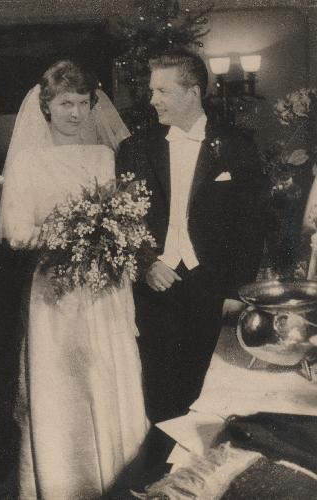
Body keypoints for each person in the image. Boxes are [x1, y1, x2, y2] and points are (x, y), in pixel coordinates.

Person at [0, 60, 149, 499]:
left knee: (108, 373)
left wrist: (109, 234)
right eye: (66, 103)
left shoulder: (104, 156)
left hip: (104, 290)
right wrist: (67, 232)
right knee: (62, 385)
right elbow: (17, 231)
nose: (75, 113)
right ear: (46, 105)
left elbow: (120, 217)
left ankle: (118, 479)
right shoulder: (27, 162)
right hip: (55, 292)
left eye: (84, 103)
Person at [117, 49, 265, 440]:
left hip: (212, 288)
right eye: (152, 91)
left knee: (209, 391)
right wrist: (146, 263)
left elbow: (252, 224)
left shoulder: (236, 146)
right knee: (160, 390)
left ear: (193, 92)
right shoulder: (135, 148)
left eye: (162, 91)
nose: (152, 100)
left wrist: (236, 291)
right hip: (155, 286)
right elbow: (122, 218)